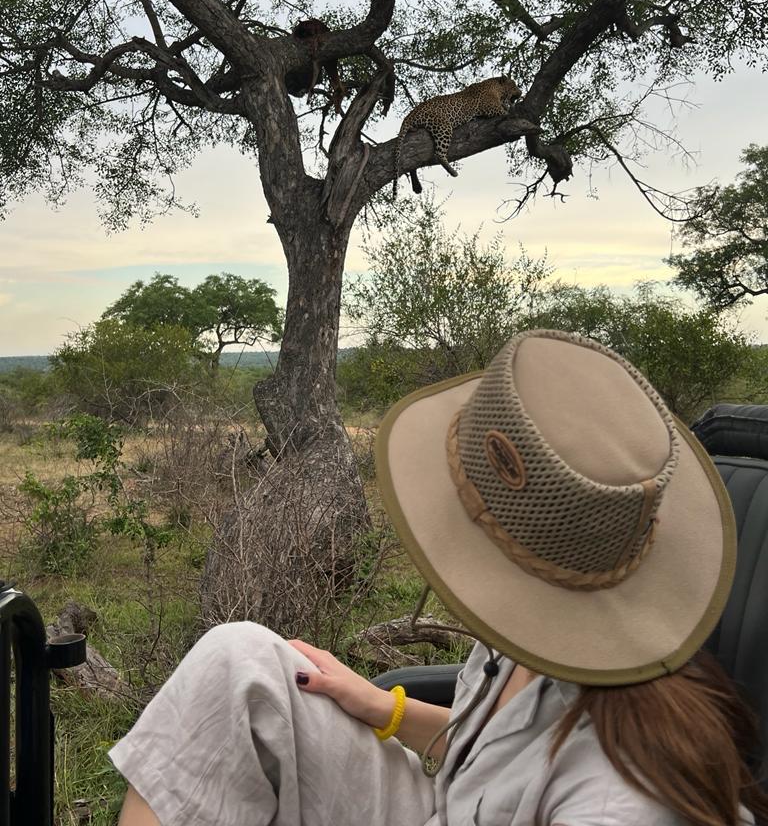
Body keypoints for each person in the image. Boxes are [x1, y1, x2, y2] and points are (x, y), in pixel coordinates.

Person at [110, 330, 768, 826]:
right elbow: (495, 748)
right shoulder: (533, 627)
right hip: (448, 802)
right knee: (239, 663)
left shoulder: (618, 804)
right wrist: (388, 710)